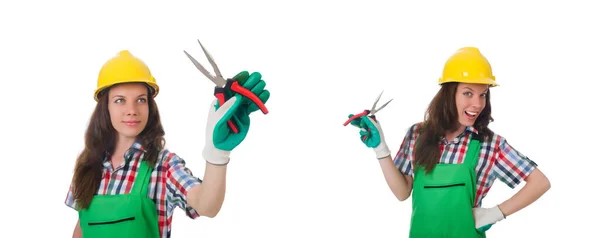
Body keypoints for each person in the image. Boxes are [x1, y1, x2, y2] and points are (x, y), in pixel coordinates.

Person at [347, 47, 551, 237]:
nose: (478, 104)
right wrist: (381, 150)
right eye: (468, 93)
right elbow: (402, 192)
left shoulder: (490, 144)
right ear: (448, 93)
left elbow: (540, 182)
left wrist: (495, 213)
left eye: (483, 94)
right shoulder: (417, 134)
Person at [64, 50, 270, 238]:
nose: (131, 109)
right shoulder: (87, 165)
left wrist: (217, 154)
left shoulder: (163, 165)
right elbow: (81, 230)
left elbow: (207, 205)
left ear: (150, 106)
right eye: (119, 100)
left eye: (141, 100)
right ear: (105, 107)